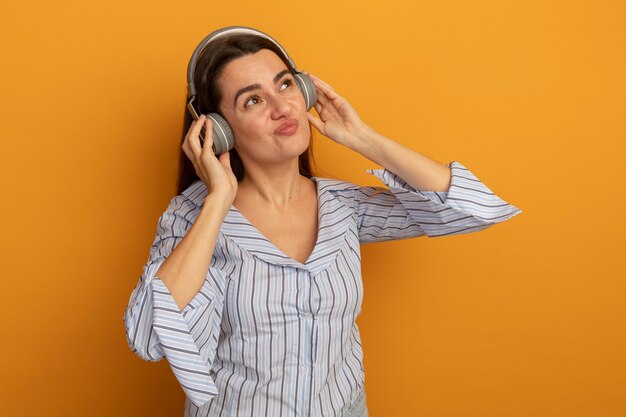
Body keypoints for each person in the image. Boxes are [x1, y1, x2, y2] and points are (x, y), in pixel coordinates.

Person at [123, 27, 522, 417]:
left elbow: (469, 209)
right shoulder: (192, 217)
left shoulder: (343, 206)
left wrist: (362, 138)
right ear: (219, 131)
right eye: (252, 101)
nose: (282, 108)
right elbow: (149, 337)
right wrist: (218, 201)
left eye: (284, 86)